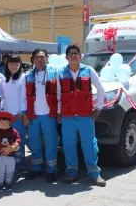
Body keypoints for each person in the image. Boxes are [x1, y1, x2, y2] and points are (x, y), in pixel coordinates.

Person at [57, 44, 106, 186]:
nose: (73, 56)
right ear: (66, 57)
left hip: (85, 116)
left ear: (80, 56)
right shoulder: (60, 73)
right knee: (69, 145)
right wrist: (59, 112)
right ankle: (71, 172)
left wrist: (98, 108)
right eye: (71, 54)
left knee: (89, 145)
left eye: (76, 53)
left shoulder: (89, 71)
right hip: (68, 117)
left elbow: (101, 89)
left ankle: (94, 174)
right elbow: (59, 95)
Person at [23, 48, 59, 183]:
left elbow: (60, 94)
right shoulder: (27, 76)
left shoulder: (55, 73)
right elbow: (24, 97)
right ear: (32, 60)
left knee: (51, 143)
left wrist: (59, 112)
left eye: (42, 57)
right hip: (33, 115)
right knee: (34, 143)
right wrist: (25, 114)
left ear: (47, 58)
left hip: (49, 114)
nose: (39, 59)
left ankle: (52, 170)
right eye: (37, 57)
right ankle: (36, 168)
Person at [1, 54, 27, 174]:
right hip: (6, 116)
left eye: (16, 63)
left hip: (17, 115)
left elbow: (24, 97)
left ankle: (20, 166)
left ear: (20, 64)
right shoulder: (4, 78)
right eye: (11, 63)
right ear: (7, 64)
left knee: (18, 141)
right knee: (8, 141)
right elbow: (4, 96)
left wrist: (21, 112)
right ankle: (10, 165)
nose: (13, 65)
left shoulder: (23, 77)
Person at [0, 111, 21, 193]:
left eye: (6, 122)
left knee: (10, 171)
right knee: (1, 171)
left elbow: (18, 139)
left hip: (10, 156)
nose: (4, 124)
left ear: (10, 122)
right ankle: (0, 184)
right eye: (2, 122)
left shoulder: (13, 131)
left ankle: (8, 183)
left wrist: (15, 145)